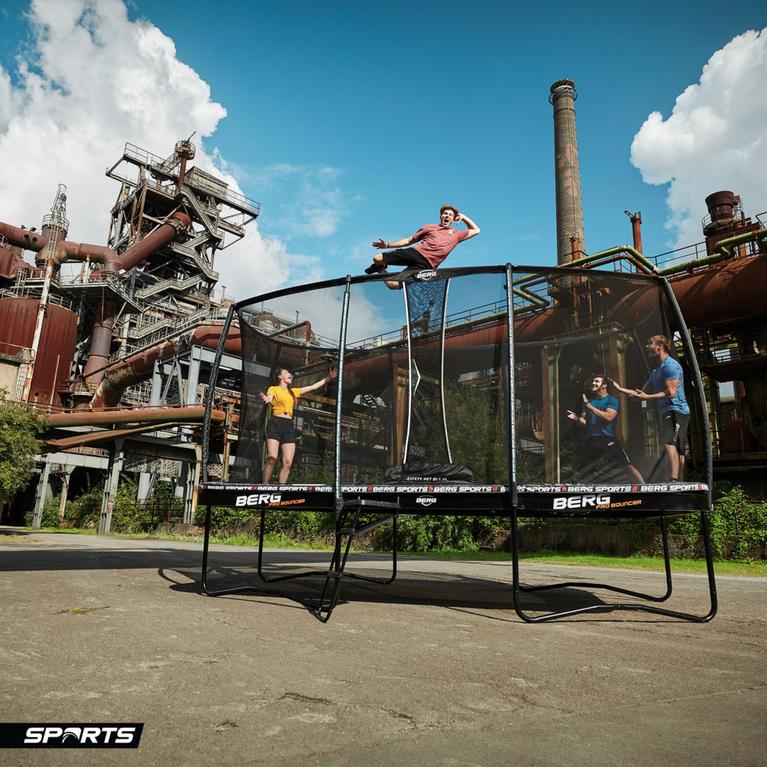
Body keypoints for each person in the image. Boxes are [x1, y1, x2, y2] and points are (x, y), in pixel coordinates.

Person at [610, 335, 690, 481]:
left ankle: (675, 480)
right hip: (668, 411)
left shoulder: (671, 366)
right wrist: (620, 388)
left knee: (670, 443)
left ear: (659, 346)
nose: (647, 347)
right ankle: (680, 481)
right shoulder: (656, 372)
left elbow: (671, 393)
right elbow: (641, 392)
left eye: (650, 343)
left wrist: (647, 398)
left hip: (676, 409)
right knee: (677, 447)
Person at [259, 367, 337, 483]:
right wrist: (267, 399)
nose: (290, 374)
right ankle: (264, 486)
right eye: (287, 372)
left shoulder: (293, 391)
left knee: (288, 462)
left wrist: (329, 378)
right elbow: (269, 397)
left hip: (288, 425)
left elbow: (313, 387)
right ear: (280, 377)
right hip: (275, 423)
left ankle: (281, 489)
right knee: (272, 458)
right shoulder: (273, 388)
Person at [566, 374, 645, 483]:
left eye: (597, 381)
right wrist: (576, 418)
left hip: (608, 439)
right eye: (593, 381)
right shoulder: (589, 402)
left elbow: (609, 417)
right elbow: (584, 423)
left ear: (604, 385)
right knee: (583, 471)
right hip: (592, 440)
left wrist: (590, 407)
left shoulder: (612, 400)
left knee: (627, 466)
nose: (593, 383)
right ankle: (579, 493)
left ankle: (644, 486)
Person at [364, 204, 480, 277]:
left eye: (450, 214)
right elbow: (409, 240)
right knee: (377, 258)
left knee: (394, 285)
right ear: (441, 216)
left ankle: (380, 269)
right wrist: (388, 245)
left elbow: (476, 230)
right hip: (416, 253)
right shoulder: (429, 227)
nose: (447, 216)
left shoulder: (457, 234)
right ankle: (379, 264)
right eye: (445, 213)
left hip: (427, 266)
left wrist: (463, 216)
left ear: (453, 219)